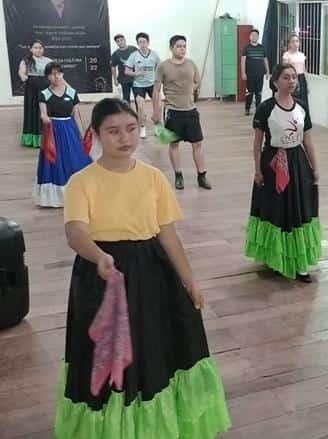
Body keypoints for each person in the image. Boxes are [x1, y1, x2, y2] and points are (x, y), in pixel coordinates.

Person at [54, 98, 231, 438]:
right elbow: (75, 232)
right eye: (114, 131)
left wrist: (189, 278)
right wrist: (99, 256)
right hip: (102, 274)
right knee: (106, 355)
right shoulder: (82, 181)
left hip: (153, 271)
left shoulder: (153, 178)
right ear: (96, 134)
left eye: (131, 129)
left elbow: (167, 233)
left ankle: (154, 424)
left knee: (155, 344)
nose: (125, 138)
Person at [244, 64, 321, 282]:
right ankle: (276, 258)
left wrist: (315, 168)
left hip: (297, 164)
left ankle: (300, 263)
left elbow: (308, 140)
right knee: (276, 210)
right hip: (273, 164)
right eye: (286, 77)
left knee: (299, 210)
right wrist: (257, 169)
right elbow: (257, 142)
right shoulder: (265, 108)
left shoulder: (302, 106)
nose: (291, 81)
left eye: (294, 77)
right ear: (276, 81)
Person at [152, 35, 211, 190]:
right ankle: (178, 175)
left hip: (191, 111)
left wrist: (192, 88)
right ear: (171, 48)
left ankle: (202, 175)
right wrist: (156, 112)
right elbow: (156, 90)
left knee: (197, 144)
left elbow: (198, 81)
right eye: (179, 46)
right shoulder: (163, 67)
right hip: (173, 111)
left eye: (184, 46)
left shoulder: (191, 64)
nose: (182, 49)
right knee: (174, 144)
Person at [35, 62, 92, 207]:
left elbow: (76, 115)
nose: (56, 76)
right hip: (53, 131)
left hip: (70, 129)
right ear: (48, 76)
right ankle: (55, 197)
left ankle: (80, 192)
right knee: (55, 161)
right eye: (52, 74)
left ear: (62, 74)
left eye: (58, 73)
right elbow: (43, 114)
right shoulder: (44, 94)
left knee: (76, 157)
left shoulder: (72, 93)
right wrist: (45, 119)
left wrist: (82, 134)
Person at [125, 32, 160, 138]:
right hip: (138, 85)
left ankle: (157, 127)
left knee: (157, 106)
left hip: (152, 84)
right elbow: (127, 71)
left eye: (144, 41)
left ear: (148, 43)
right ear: (137, 44)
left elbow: (160, 68)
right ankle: (143, 128)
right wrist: (136, 73)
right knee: (140, 107)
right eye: (140, 42)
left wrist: (159, 81)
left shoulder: (154, 54)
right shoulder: (133, 56)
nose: (142, 44)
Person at [18, 40, 52, 148]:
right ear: (31, 49)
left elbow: (54, 73)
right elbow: (21, 72)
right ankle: (33, 139)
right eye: (35, 47)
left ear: (43, 49)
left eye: (40, 47)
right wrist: (23, 76)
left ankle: (48, 138)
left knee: (46, 112)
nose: (38, 49)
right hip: (31, 90)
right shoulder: (26, 61)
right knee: (32, 112)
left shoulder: (49, 61)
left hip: (46, 89)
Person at [241, 29, 270, 116]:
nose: (254, 37)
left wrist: (268, 71)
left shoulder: (262, 48)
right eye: (252, 35)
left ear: (258, 37)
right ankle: (247, 109)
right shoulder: (246, 48)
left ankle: (258, 109)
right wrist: (243, 73)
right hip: (250, 74)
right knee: (249, 93)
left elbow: (265, 60)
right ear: (250, 37)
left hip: (260, 74)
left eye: (256, 35)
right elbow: (242, 61)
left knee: (258, 93)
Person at [282, 33, 309, 111]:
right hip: (291, 79)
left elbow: (304, 70)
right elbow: (284, 71)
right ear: (289, 44)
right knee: (293, 100)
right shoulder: (286, 55)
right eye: (293, 41)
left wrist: (306, 84)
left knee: (303, 101)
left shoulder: (301, 55)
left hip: (302, 79)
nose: (295, 43)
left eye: (297, 41)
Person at [110, 34, 137, 103]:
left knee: (138, 98)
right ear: (116, 43)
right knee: (126, 99)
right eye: (118, 41)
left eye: (121, 40)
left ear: (125, 40)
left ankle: (139, 113)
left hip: (135, 78)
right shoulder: (115, 54)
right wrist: (115, 79)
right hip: (123, 79)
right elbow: (113, 67)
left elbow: (140, 61)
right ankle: (128, 113)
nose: (120, 42)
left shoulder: (133, 49)